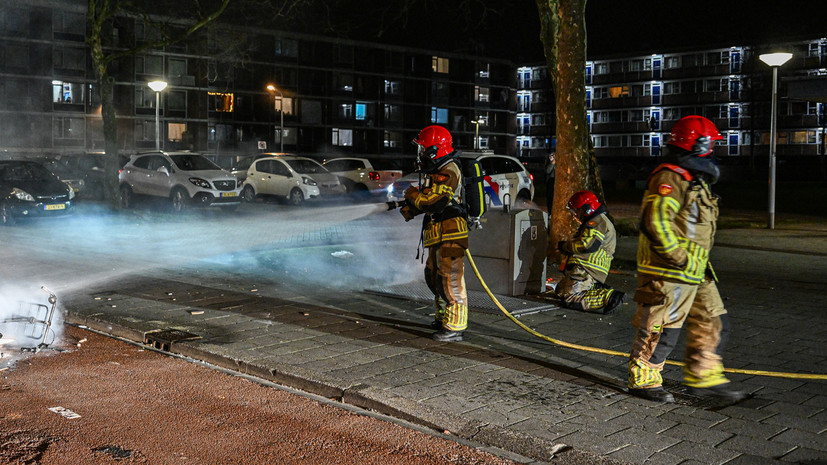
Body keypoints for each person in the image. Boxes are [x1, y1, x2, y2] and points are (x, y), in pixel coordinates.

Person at [626, 115, 746, 403]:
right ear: (700, 144)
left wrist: (694, 262)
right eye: (711, 144)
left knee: (714, 319)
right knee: (662, 329)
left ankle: (704, 377)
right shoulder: (670, 177)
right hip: (670, 270)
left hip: (696, 270)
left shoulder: (694, 179)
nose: (713, 151)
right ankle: (644, 380)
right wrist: (679, 258)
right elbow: (656, 221)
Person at [399, 125, 469, 342]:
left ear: (434, 150)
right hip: (437, 232)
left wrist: (411, 193)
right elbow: (430, 201)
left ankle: (455, 327)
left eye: (423, 149)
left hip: (451, 233)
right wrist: (411, 208)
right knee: (434, 278)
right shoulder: (437, 171)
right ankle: (443, 319)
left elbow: (434, 202)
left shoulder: (449, 170)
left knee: (450, 279)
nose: (420, 154)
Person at [553, 190, 624, 314]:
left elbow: (586, 245)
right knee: (560, 291)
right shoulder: (596, 221)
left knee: (569, 298)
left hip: (587, 268)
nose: (575, 215)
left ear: (587, 209)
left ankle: (610, 297)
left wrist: (564, 246)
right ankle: (594, 288)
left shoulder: (597, 222)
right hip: (586, 267)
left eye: (577, 211)